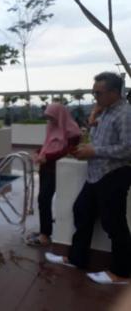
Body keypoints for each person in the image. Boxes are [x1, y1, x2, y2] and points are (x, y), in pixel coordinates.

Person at [45, 72, 131, 285]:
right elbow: (100, 138)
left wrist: (94, 151)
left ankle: (121, 273)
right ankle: (76, 258)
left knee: (114, 224)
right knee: (81, 212)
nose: (94, 96)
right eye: (93, 92)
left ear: (113, 92)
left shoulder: (125, 114)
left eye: (98, 93)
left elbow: (128, 149)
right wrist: (88, 146)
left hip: (113, 175)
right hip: (96, 174)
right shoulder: (107, 111)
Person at [26, 103, 81, 246]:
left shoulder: (72, 131)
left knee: (44, 199)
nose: (50, 120)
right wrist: (38, 152)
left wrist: (47, 157)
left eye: (52, 117)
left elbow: (68, 151)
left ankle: (45, 235)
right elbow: (47, 145)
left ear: (59, 115)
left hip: (57, 170)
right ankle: (45, 231)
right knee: (43, 200)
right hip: (46, 168)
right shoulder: (51, 127)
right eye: (48, 117)